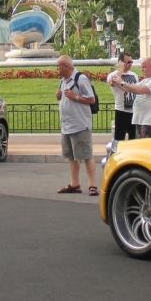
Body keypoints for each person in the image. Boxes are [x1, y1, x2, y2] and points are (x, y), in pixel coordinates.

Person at [55, 55, 99, 196]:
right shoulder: (63, 81)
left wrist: (75, 97)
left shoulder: (81, 79)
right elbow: (64, 98)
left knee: (86, 154)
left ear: (66, 66)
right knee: (72, 156)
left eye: (58, 66)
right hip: (67, 125)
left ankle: (92, 184)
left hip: (80, 124)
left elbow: (91, 99)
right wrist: (59, 96)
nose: (56, 69)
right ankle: (75, 184)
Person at [119, 56, 151, 138]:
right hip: (140, 121)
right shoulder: (146, 80)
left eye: (143, 67)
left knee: (146, 147)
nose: (142, 69)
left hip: (148, 122)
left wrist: (122, 83)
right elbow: (131, 88)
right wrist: (118, 80)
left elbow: (139, 90)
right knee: (140, 146)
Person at [107, 54, 139, 141]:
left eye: (131, 62)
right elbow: (112, 83)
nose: (130, 64)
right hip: (121, 111)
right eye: (128, 62)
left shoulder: (134, 75)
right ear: (121, 62)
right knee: (119, 139)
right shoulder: (113, 75)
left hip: (134, 112)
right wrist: (121, 69)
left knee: (134, 139)